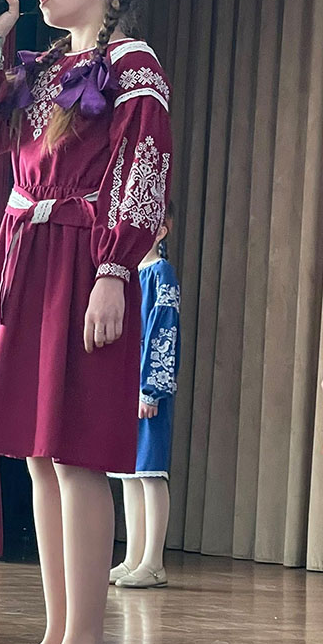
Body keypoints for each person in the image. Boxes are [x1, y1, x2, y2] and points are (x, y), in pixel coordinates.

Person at [0, 0, 172, 644]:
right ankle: (56, 636)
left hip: (83, 257)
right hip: (31, 254)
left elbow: (143, 167)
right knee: (40, 453)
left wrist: (113, 270)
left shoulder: (131, 65)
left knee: (75, 453)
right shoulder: (40, 66)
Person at [108, 202, 180, 589]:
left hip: (147, 387)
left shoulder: (160, 273)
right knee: (129, 474)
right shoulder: (127, 276)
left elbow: (163, 330)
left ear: (160, 231)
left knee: (151, 473)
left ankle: (153, 561)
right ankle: (132, 557)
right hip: (124, 386)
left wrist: (151, 388)